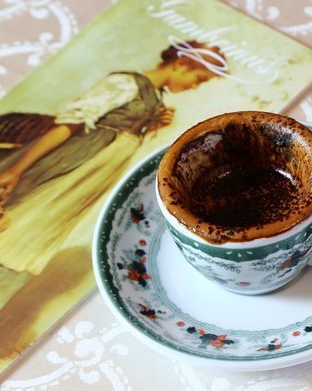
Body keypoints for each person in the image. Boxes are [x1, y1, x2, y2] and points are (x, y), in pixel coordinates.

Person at [0, 40, 223, 275]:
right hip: (79, 158)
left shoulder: (154, 97)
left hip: (98, 171)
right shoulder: (126, 83)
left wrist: (151, 123)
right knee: (29, 201)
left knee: (51, 213)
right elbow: (69, 125)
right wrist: (17, 169)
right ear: (182, 64)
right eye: (199, 79)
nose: (194, 87)